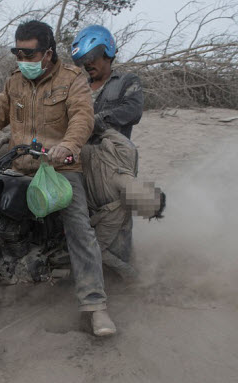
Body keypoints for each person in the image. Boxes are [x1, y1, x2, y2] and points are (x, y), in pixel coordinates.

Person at [0, 20, 116, 336]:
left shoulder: (72, 81)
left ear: (48, 53)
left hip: (60, 169)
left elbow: (83, 118)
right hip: (19, 164)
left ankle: (96, 306)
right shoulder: (15, 82)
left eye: (29, 53)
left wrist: (67, 146)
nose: (22, 60)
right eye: (17, 53)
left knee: (79, 228)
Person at [71, 25, 145, 279]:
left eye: (92, 58)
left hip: (112, 165)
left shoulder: (126, 82)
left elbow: (133, 111)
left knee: (116, 223)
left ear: (107, 52)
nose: (87, 64)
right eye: (83, 60)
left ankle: (125, 280)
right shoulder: (78, 87)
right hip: (80, 164)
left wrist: (97, 120)